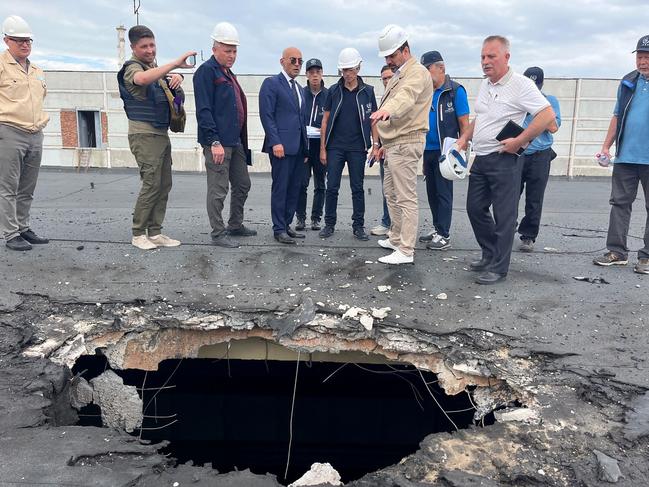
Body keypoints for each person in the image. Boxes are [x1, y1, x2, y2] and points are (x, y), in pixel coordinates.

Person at [456, 35, 557, 284]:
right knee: (474, 208)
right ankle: (490, 253)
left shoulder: (521, 84)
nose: (486, 61)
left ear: (506, 57)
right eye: (483, 57)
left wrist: (520, 140)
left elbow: (547, 115)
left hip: (504, 159)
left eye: (492, 56)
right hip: (481, 158)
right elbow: (481, 118)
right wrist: (464, 138)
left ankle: (499, 267)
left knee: (504, 215)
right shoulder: (486, 85)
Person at [117, 25, 195, 250]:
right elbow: (141, 80)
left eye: (152, 45)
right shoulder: (132, 68)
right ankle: (138, 233)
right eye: (144, 46)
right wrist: (175, 65)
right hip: (144, 134)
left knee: (163, 184)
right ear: (133, 47)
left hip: (160, 133)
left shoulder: (156, 70)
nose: (150, 50)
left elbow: (172, 99)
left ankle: (155, 231)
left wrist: (177, 79)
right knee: (151, 183)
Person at [371, 24, 434, 264]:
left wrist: (387, 110)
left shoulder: (416, 73)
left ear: (405, 50)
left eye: (392, 55)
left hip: (406, 142)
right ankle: (396, 238)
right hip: (393, 142)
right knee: (391, 192)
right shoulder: (401, 73)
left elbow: (406, 97)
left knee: (405, 197)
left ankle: (406, 250)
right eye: (386, 56)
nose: (389, 60)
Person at [194, 22, 256, 249]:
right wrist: (214, 142)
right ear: (215, 49)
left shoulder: (228, 74)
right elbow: (204, 109)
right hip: (218, 143)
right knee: (218, 189)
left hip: (236, 141)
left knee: (243, 184)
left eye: (234, 51)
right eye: (227, 50)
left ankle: (235, 225)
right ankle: (218, 233)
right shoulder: (206, 72)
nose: (232, 55)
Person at [593, 34, 649, 275]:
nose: (642, 61)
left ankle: (647, 257)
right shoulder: (628, 82)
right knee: (619, 203)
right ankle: (617, 251)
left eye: (647, 57)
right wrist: (606, 146)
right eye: (640, 56)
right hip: (626, 157)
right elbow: (617, 115)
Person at [319, 47, 379, 241]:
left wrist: (375, 144)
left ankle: (358, 226)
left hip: (357, 148)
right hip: (335, 147)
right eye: (344, 70)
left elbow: (373, 120)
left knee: (357, 188)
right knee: (332, 187)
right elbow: (325, 121)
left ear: (358, 68)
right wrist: (323, 148)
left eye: (351, 69)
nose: (347, 74)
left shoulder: (368, 92)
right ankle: (329, 224)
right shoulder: (333, 91)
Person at [0, 15, 49, 251]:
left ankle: (23, 227)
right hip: (9, 132)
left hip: (34, 133)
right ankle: (10, 234)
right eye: (18, 40)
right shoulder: (1, 66)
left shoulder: (37, 70)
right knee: (8, 187)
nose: (24, 44)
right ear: (6, 40)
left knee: (27, 187)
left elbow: (39, 99)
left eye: (28, 40)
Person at [418, 50, 470, 251]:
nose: (425, 74)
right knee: (431, 192)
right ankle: (437, 226)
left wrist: (461, 152)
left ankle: (444, 235)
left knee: (443, 193)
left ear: (441, 68)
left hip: (446, 151)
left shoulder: (455, 91)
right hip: (428, 150)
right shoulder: (426, 93)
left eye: (427, 69)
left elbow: (464, 124)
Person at [259, 47, 308, 245]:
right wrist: (275, 141)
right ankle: (278, 228)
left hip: (298, 149)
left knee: (294, 188)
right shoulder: (271, 84)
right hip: (281, 147)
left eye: (300, 61)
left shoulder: (299, 89)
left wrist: (305, 148)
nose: (297, 64)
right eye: (293, 60)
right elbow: (267, 115)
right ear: (282, 61)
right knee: (281, 187)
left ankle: (287, 224)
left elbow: (301, 119)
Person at [517, 67, 561, 253]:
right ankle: (504, 227)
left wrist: (540, 108)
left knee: (535, 198)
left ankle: (528, 236)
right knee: (508, 195)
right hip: (518, 154)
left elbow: (553, 127)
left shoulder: (549, 101)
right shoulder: (517, 101)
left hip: (540, 155)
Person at [295, 58, 328, 232]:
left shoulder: (329, 95)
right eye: (311, 72)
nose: (315, 75)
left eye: (318, 72)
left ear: (322, 73)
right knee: (302, 183)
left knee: (320, 184)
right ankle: (300, 218)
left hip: (321, 145)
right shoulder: (300, 93)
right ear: (306, 74)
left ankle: (316, 218)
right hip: (304, 144)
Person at [370, 65, 395, 237]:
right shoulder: (385, 99)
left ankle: (396, 227)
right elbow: (379, 124)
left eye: (389, 77)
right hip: (384, 151)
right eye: (384, 78)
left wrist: (388, 144)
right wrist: (377, 145)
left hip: (397, 150)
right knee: (387, 189)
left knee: (398, 191)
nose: (387, 81)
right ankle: (387, 222)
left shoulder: (400, 97)